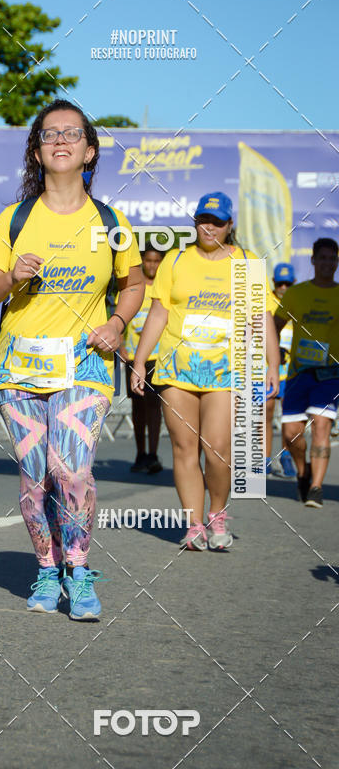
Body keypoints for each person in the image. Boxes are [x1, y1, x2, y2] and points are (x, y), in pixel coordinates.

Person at [0, 99, 143, 619]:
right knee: (35, 475)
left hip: (84, 365)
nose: (61, 140)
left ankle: (79, 567)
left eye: (72, 133)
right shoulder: (15, 218)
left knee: (71, 470)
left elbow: (134, 284)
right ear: (37, 150)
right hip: (20, 368)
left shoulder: (111, 222)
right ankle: (47, 571)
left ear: (89, 151)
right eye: (50, 134)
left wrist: (117, 324)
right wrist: (11, 278)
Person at [132, 192, 279, 551]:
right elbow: (158, 313)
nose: (209, 227)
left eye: (217, 221)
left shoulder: (247, 263)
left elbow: (262, 317)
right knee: (184, 448)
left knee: (216, 449)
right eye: (203, 220)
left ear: (230, 226)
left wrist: (271, 364)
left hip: (226, 369)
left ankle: (217, 514)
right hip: (176, 367)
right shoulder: (176, 260)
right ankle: (194, 524)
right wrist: (139, 361)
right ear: (194, 222)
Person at [274, 237, 339, 508]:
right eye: (322, 258)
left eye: (332, 258)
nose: (327, 263)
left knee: (322, 426)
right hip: (298, 373)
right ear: (313, 261)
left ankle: (316, 488)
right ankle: (303, 471)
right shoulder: (296, 294)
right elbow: (274, 325)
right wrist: (274, 350)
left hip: (330, 374)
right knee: (291, 435)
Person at [118, 243, 164, 473]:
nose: (152, 265)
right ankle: (140, 453)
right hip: (134, 356)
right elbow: (121, 319)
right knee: (137, 406)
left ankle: (154, 454)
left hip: (157, 356)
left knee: (154, 405)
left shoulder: (164, 288)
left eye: (156, 261)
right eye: (148, 260)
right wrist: (121, 347)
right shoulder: (133, 287)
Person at [266, 263, 296, 477]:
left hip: (292, 370)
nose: (283, 287)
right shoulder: (267, 299)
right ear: (274, 283)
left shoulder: (298, 302)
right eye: (280, 283)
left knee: (289, 417)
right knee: (266, 413)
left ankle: (286, 456)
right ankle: (265, 459)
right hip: (268, 368)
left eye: (288, 283)